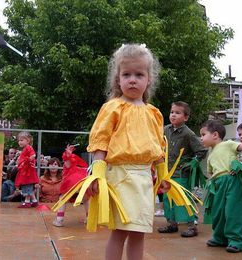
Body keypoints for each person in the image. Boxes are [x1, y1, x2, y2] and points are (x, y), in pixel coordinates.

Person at [85, 44, 169, 260]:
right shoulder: (112, 108)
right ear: (118, 79)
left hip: (143, 179)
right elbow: (100, 143)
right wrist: (97, 174)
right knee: (120, 230)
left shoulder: (154, 113)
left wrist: (163, 174)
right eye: (127, 74)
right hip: (119, 177)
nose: (133, 79)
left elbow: (158, 147)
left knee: (139, 231)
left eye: (139, 74)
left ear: (149, 79)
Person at [199, 120, 242, 253]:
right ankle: (220, 237)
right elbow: (210, 173)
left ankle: (236, 240)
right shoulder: (210, 155)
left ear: (215, 135)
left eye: (203, 134)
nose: (201, 138)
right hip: (218, 184)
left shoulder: (228, 144)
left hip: (232, 180)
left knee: (232, 212)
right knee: (218, 212)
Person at [158, 101, 207, 237]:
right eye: (172, 112)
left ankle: (192, 225)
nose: (173, 115)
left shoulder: (188, 133)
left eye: (177, 113)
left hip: (181, 172)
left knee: (183, 198)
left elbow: (202, 150)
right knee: (168, 198)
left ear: (185, 117)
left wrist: (193, 162)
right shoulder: (165, 130)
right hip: (167, 172)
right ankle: (171, 223)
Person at [53, 144, 89, 227]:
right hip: (83, 179)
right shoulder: (76, 159)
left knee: (62, 198)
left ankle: (59, 220)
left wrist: (67, 154)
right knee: (86, 199)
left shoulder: (67, 158)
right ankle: (89, 218)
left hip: (72, 180)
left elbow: (68, 165)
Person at [14, 131, 40, 208]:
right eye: (19, 140)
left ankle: (27, 202)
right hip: (26, 170)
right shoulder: (26, 148)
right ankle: (34, 201)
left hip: (27, 171)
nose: (19, 142)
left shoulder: (28, 147)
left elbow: (33, 155)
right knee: (28, 186)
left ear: (28, 140)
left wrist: (27, 160)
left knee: (27, 185)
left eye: (22, 140)